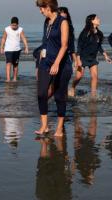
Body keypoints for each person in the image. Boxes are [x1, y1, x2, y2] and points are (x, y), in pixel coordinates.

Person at [35, 0, 73, 137]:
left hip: (62, 65)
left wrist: (56, 63)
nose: (40, 11)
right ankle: (44, 126)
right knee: (41, 94)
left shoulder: (63, 22)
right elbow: (44, 44)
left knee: (59, 96)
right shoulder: (46, 22)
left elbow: (64, 45)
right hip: (45, 62)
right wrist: (38, 64)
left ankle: (59, 127)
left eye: (41, 8)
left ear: (48, 7)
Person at [68, 14, 112, 97]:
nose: (99, 20)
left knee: (95, 76)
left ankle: (93, 94)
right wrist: (78, 59)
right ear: (92, 21)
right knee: (78, 77)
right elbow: (79, 46)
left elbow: (99, 46)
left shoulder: (99, 33)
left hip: (92, 58)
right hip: (83, 57)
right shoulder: (85, 32)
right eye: (97, 19)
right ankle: (73, 87)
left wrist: (105, 55)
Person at [0, 17, 29, 82]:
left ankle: (15, 78)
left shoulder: (20, 29)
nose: (14, 26)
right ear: (10, 24)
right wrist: (1, 47)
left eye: (15, 25)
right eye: (12, 25)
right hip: (8, 49)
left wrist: (26, 47)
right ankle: (8, 78)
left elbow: (23, 38)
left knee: (15, 65)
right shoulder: (7, 29)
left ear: (18, 24)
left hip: (17, 49)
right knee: (8, 63)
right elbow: (3, 38)